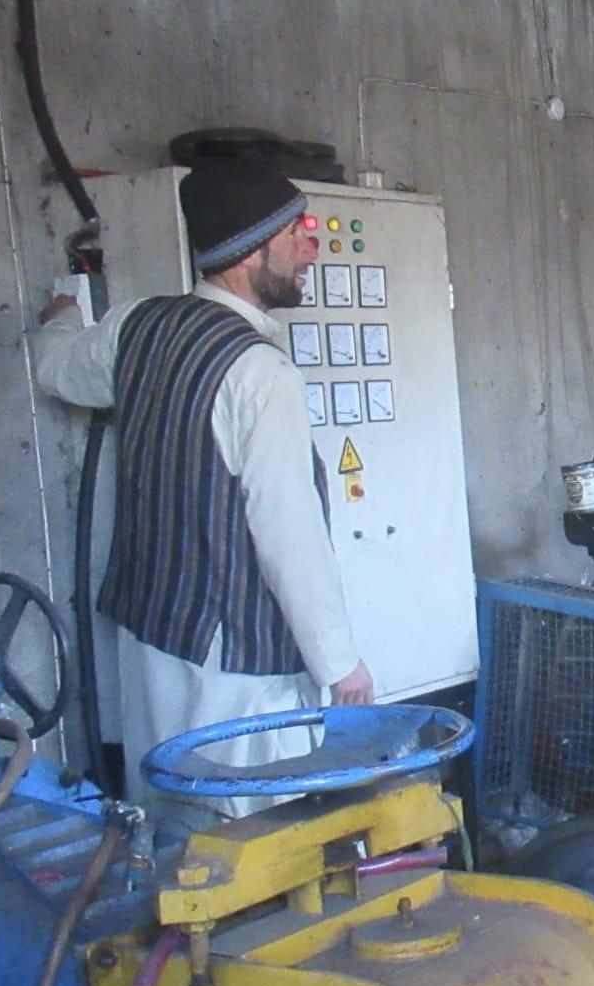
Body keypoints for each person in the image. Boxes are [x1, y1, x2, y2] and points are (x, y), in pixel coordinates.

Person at [35, 160, 372, 821]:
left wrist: (59, 317)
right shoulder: (261, 374)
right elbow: (288, 533)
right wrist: (341, 665)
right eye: (298, 230)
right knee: (247, 840)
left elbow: (57, 370)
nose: (315, 244)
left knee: (165, 821)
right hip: (239, 667)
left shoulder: (140, 327)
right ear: (252, 251)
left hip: (153, 638)